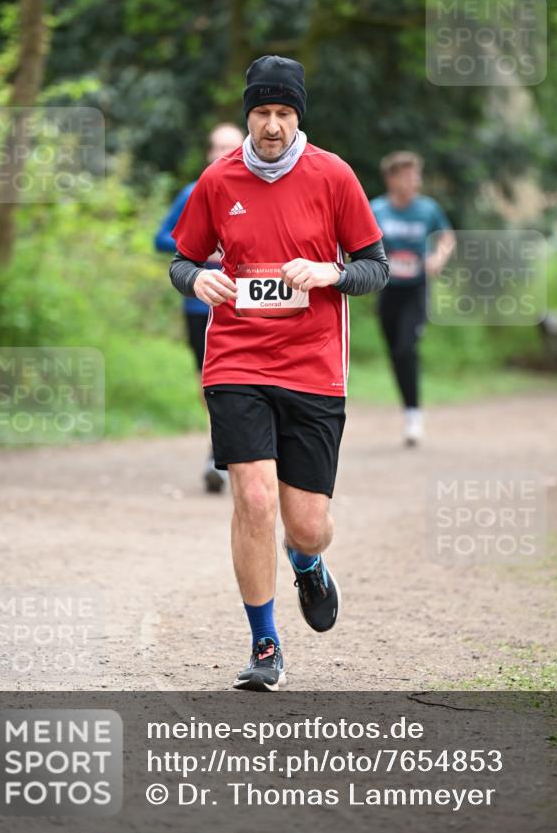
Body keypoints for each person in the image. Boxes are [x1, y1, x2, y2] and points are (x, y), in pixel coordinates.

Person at [169, 55, 388, 690]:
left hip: (313, 366)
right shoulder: (219, 179)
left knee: (308, 526)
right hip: (236, 358)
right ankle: (265, 643)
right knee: (255, 499)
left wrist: (331, 273)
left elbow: (375, 265)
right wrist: (197, 279)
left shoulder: (333, 175)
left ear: (298, 116)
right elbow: (182, 260)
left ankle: (308, 563)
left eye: (284, 113)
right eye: (262, 112)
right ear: (248, 115)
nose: (272, 125)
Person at [155, 123, 244, 491]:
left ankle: (220, 455)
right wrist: (202, 249)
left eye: (231, 147)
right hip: (199, 305)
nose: (223, 154)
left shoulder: (256, 191)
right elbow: (161, 238)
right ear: (209, 152)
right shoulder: (193, 192)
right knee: (209, 383)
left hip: (245, 305)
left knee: (237, 380)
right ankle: (220, 447)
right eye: (218, 147)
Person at [371, 151, 454, 446]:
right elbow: (360, 239)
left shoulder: (428, 209)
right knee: (396, 352)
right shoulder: (376, 209)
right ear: (391, 179)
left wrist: (438, 257)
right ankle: (408, 407)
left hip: (416, 290)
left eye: (416, 175)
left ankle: (414, 414)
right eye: (407, 175)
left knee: (407, 348)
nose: (414, 181)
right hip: (388, 291)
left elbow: (446, 237)